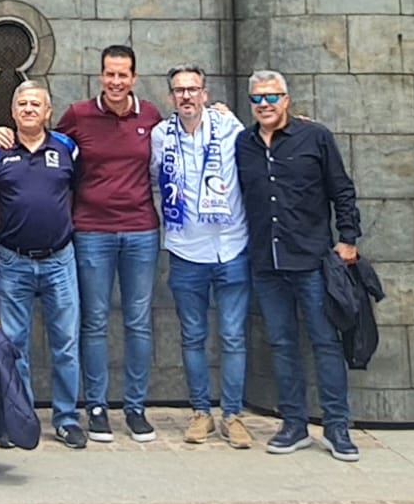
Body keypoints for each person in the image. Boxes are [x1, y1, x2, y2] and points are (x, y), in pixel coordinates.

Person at [236, 70, 363, 463]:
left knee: (325, 343)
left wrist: (348, 239)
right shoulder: (244, 143)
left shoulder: (315, 137)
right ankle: (293, 423)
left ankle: (337, 426)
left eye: (272, 98)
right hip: (266, 261)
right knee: (282, 344)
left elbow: (340, 189)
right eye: (257, 99)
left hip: (310, 259)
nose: (264, 105)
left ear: (287, 100)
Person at [56, 44, 162, 445]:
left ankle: (135, 407)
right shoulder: (79, 115)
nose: (116, 82)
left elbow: (184, 139)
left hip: (140, 230)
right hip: (92, 231)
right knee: (95, 321)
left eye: (123, 75)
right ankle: (96, 406)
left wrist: (218, 115)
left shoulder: (150, 116)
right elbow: (46, 146)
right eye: (109, 74)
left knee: (138, 322)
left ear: (134, 77)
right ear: (100, 75)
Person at [151, 63, 252, 448]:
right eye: (179, 90)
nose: (187, 96)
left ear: (206, 94)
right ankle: (200, 412)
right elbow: (150, 178)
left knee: (232, 336)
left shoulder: (231, 128)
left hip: (231, 247)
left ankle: (233, 414)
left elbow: (261, 150)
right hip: (185, 250)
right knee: (192, 336)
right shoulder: (161, 136)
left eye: (193, 89)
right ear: (171, 97)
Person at [0, 79, 84, 448]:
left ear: (48, 112)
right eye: (22, 104)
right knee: (15, 344)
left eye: (35, 104)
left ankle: (66, 417)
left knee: (65, 343)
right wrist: (13, 227)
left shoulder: (67, 149)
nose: (28, 109)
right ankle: (21, 418)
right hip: (13, 261)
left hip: (60, 259)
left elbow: (73, 194)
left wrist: (54, 225)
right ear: (12, 112)